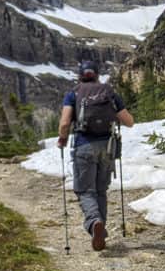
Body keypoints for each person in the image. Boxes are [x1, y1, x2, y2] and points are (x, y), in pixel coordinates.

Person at [56, 60, 134, 251]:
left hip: (84, 147)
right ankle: (100, 231)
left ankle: (93, 223)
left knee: (84, 190)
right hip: (108, 147)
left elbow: (65, 123)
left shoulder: (73, 94)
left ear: (80, 75)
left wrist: (62, 139)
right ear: (97, 74)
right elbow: (129, 121)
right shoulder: (109, 93)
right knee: (100, 191)